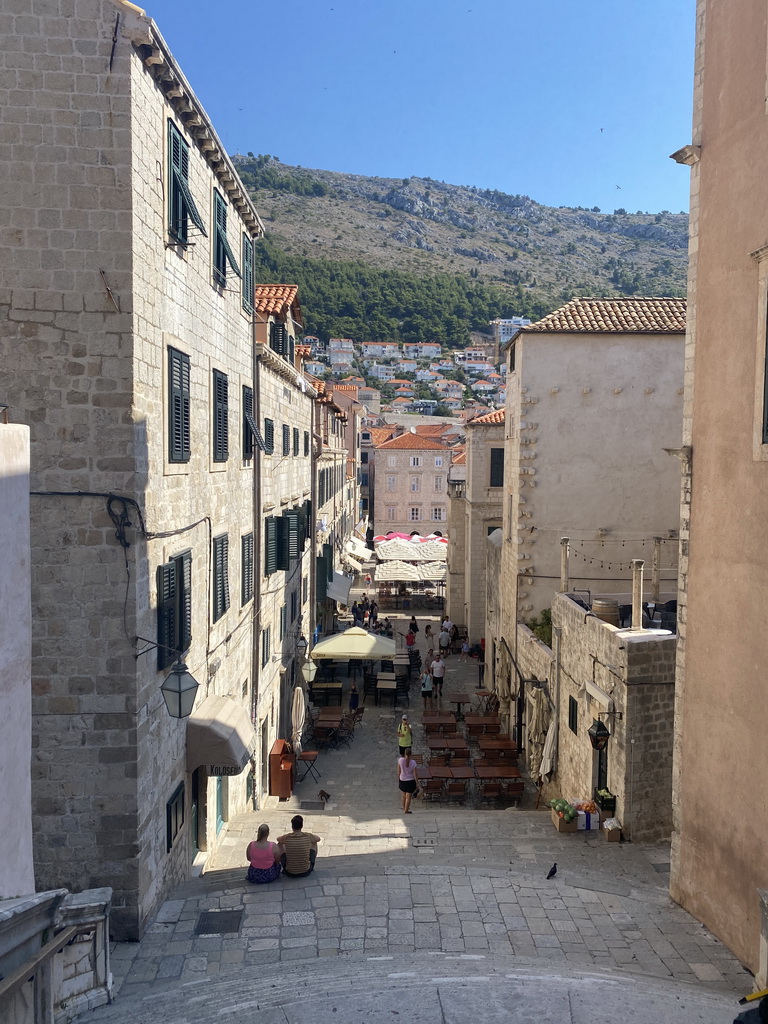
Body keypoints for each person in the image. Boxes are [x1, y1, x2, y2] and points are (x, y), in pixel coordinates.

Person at [397, 747, 418, 814]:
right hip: (410, 781)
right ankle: (406, 810)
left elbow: (398, 771)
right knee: (408, 797)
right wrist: (417, 782)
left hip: (402, 779)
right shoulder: (413, 762)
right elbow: (415, 774)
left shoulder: (400, 760)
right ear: (411, 754)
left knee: (403, 796)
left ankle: (404, 808)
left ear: (404, 754)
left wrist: (398, 778)